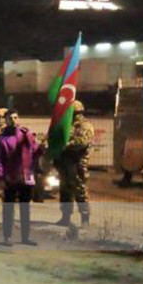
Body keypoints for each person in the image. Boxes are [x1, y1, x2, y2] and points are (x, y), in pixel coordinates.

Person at [0, 110, 39, 246]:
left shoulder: (27, 134)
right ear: (6, 120)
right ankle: (7, 236)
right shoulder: (2, 139)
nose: (13, 120)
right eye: (10, 118)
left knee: (25, 208)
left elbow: (35, 151)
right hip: (11, 178)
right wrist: (1, 177)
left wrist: (43, 148)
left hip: (26, 176)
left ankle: (25, 237)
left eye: (15, 117)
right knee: (8, 208)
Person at [54, 100, 94, 239]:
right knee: (64, 190)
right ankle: (65, 217)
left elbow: (81, 143)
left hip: (77, 163)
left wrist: (64, 145)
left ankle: (85, 219)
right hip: (65, 162)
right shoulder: (67, 125)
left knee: (79, 190)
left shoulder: (85, 126)